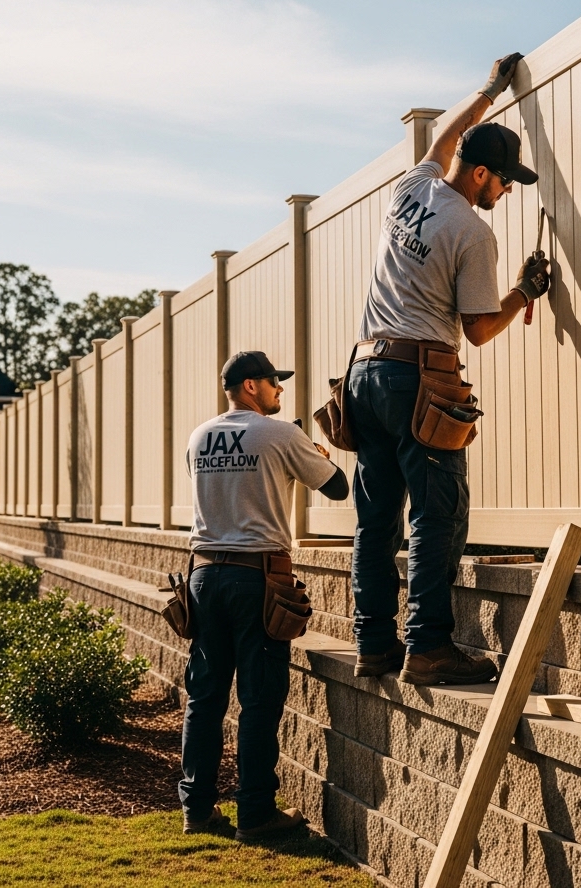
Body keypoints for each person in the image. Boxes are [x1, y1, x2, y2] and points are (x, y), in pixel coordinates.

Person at [348, 53, 551, 687]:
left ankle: (374, 645)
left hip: (362, 376)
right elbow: (479, 331)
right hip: (418, 381)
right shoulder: (472, 232)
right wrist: (524, 291)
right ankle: (430, 648)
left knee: (375, 520)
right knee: (437, 514)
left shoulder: (414, 189)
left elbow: (445, 137)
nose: (508, 191)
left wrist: (491, 90)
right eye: (506, 181)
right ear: (482, 174)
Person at [178, 350, 350, 840]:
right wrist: (315, 457)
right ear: (251, 386)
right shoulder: (280, 433)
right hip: (258, 579)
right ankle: (255, 814)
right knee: (258, 699)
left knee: (205, 699)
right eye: (275, 382)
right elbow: (337, 489)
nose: (280, 390)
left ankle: (196, 810)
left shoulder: (198, 437)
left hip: (204, 577)